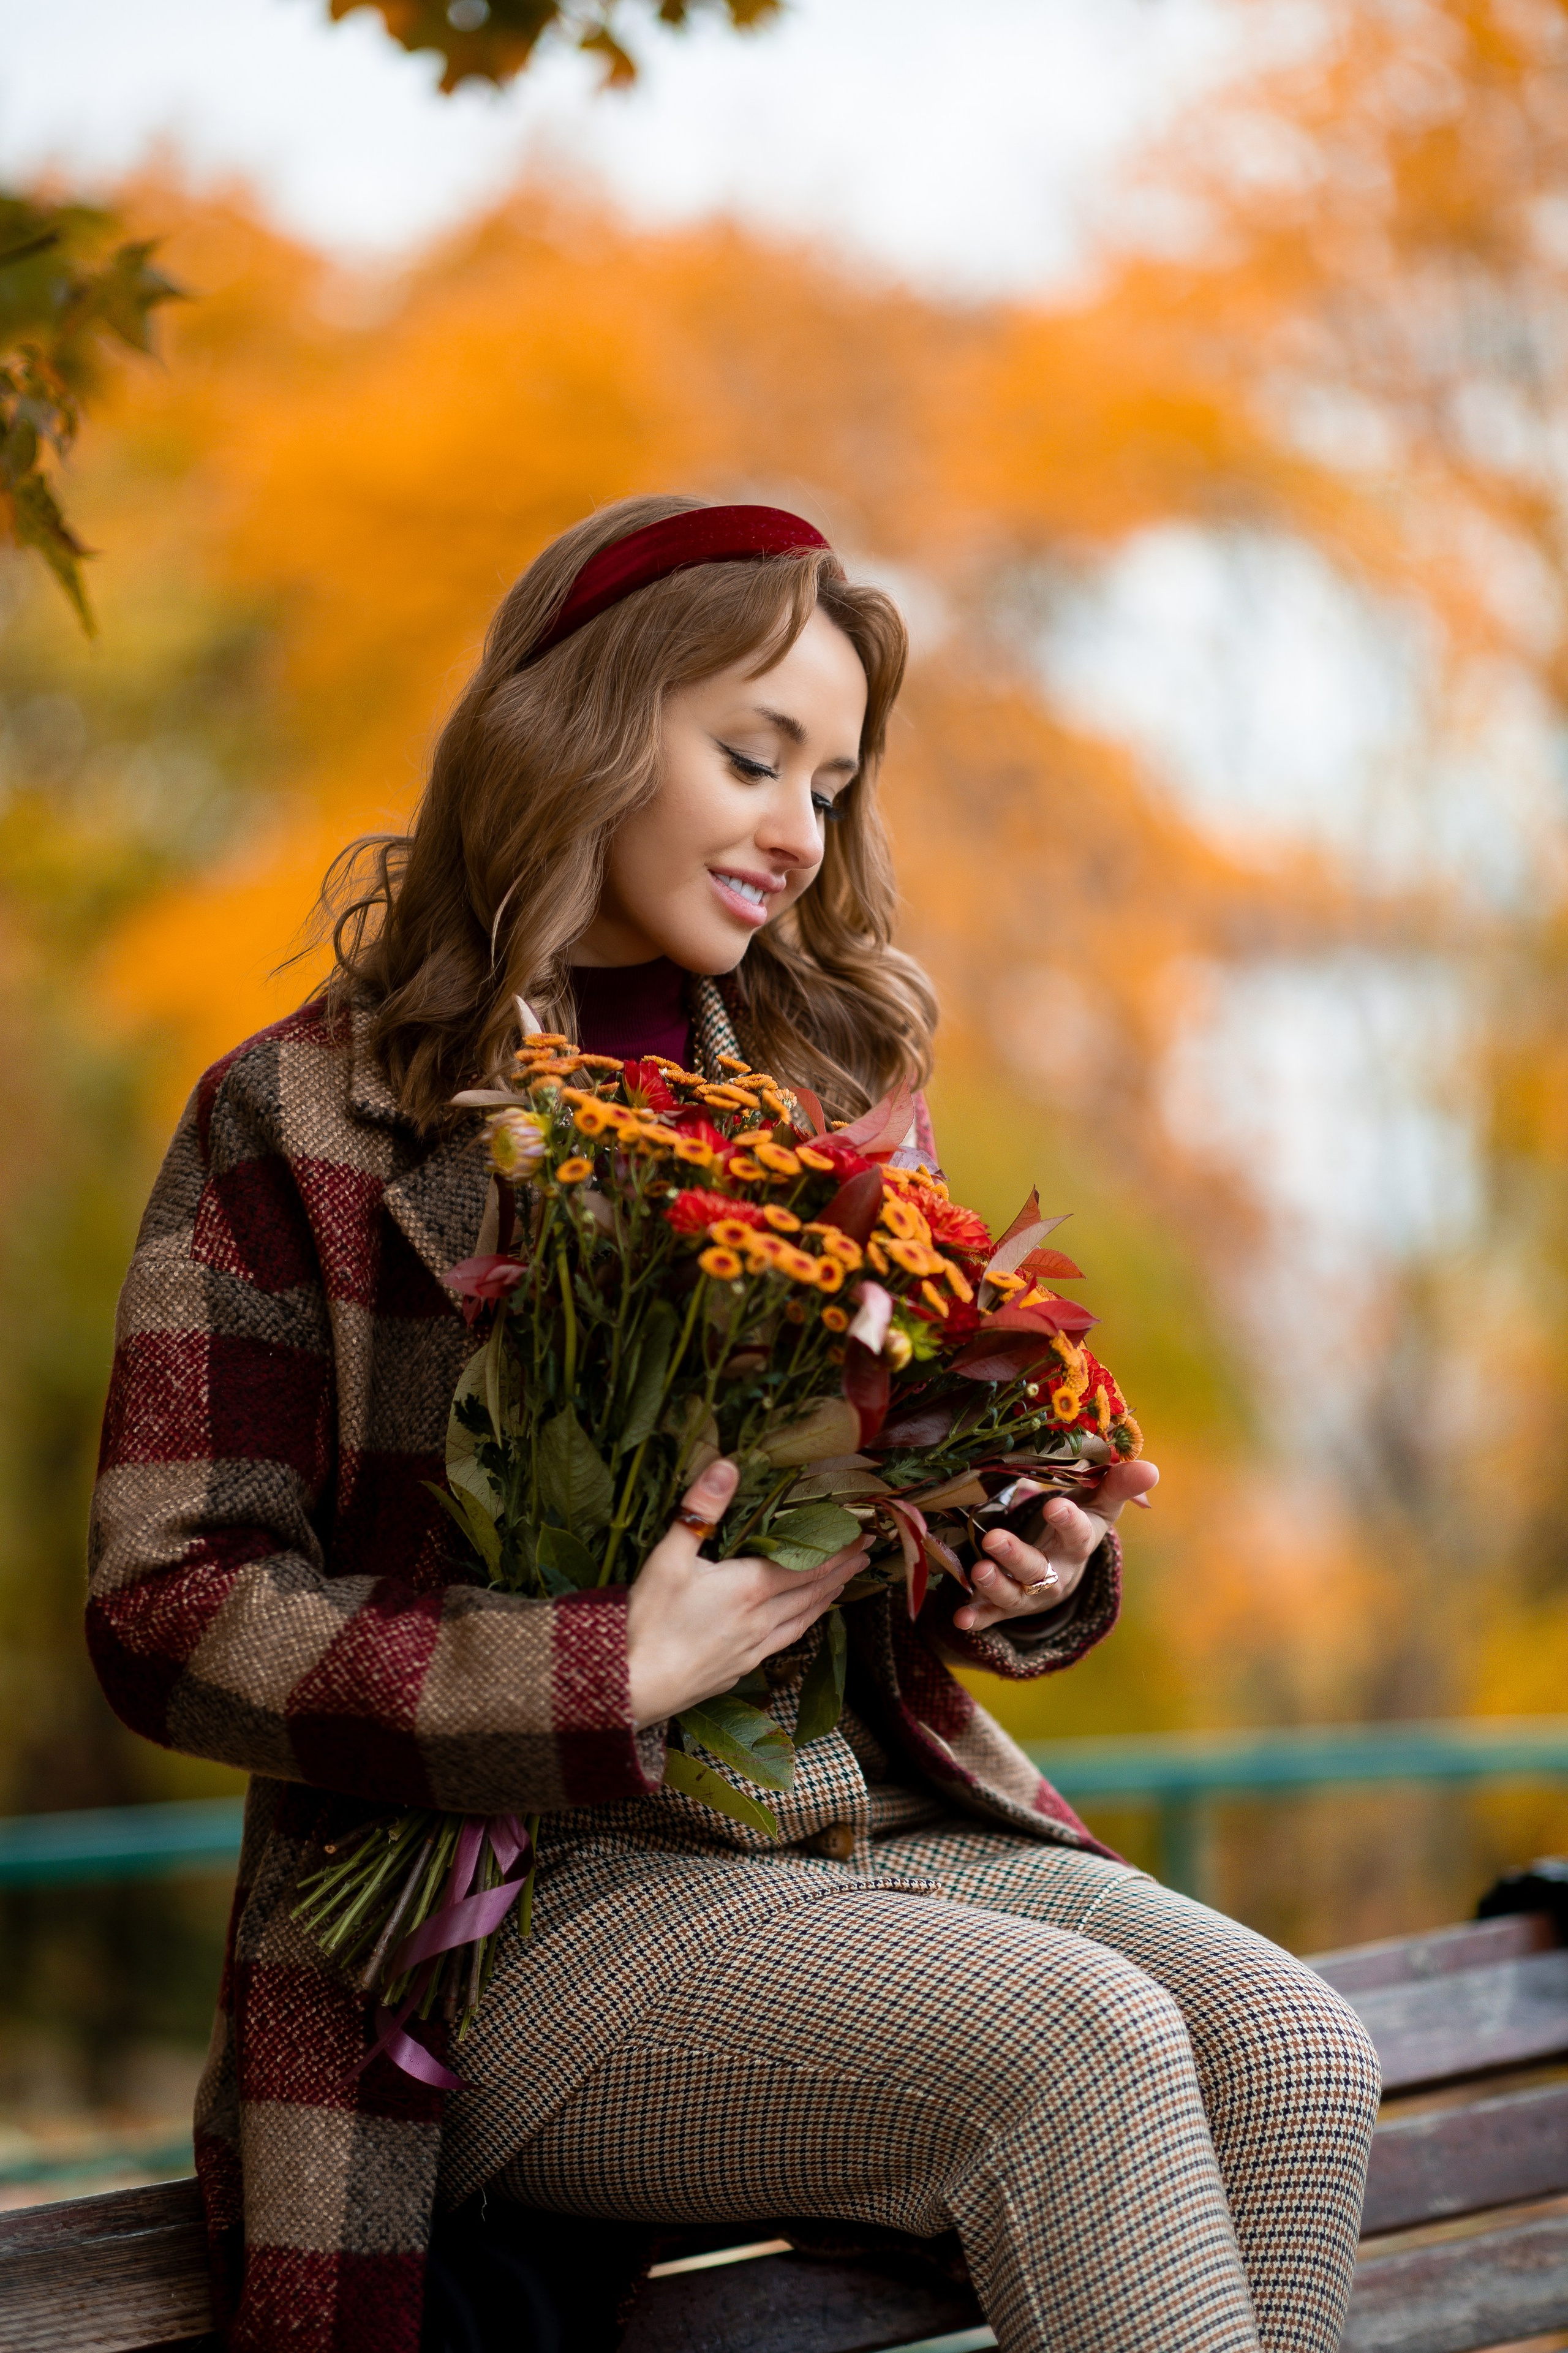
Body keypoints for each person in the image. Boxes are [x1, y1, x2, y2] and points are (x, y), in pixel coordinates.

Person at [88, 496, 1379, 2353]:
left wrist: (1015, 1560)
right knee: (1077, 2050)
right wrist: (598, 1666)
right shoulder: (306, 1120)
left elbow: (867, 1524)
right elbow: (169, 1602)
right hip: (500, 1910)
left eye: (833, 783)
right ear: (581, 731)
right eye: (750, 756)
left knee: (1297, 2050)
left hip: (850, 1829)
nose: (798, 829)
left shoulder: (827, 1092)